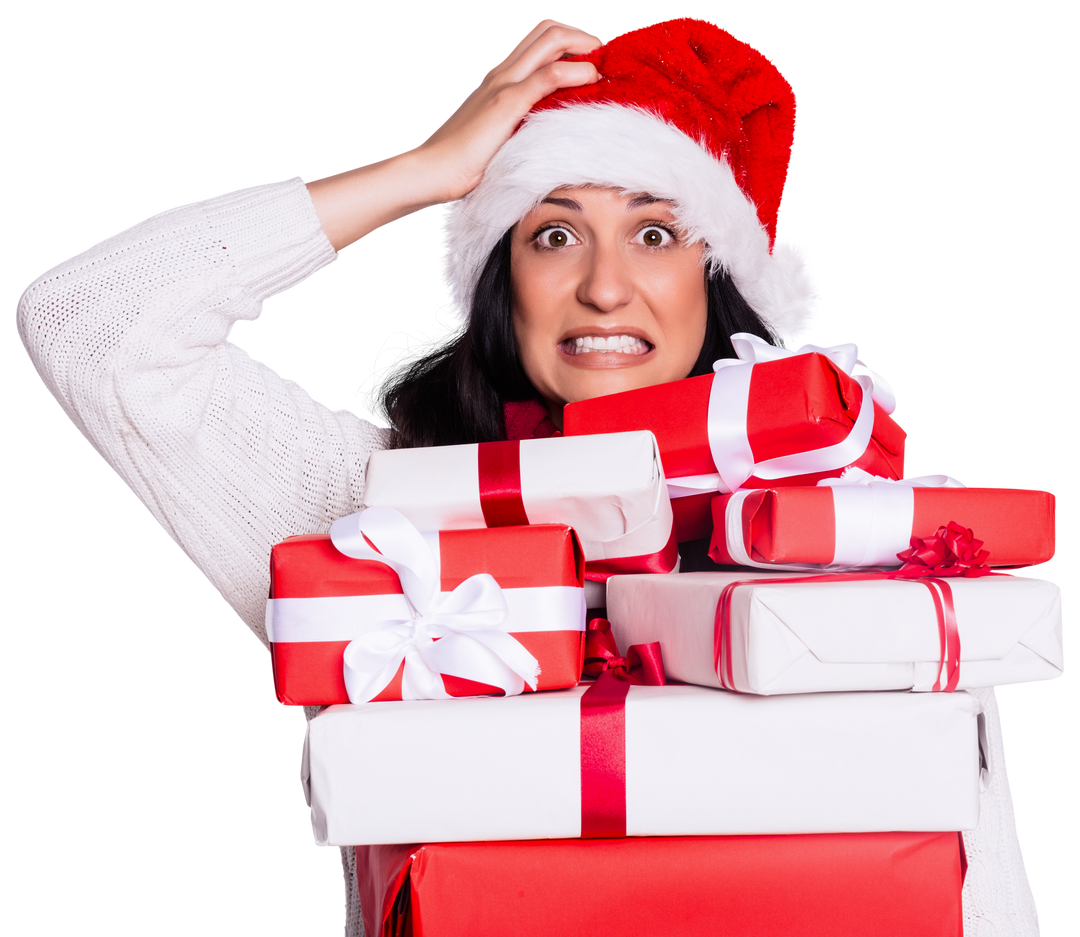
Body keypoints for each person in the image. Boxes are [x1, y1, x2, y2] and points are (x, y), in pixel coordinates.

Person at [12, 15, 1057, 936]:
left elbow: (980, 882)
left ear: (720, 273)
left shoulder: (865, 531)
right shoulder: (380, 517)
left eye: (656, 232)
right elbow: (88, 326)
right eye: (553, 232)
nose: (605, 287)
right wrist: (426, 170)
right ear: (498, 276)